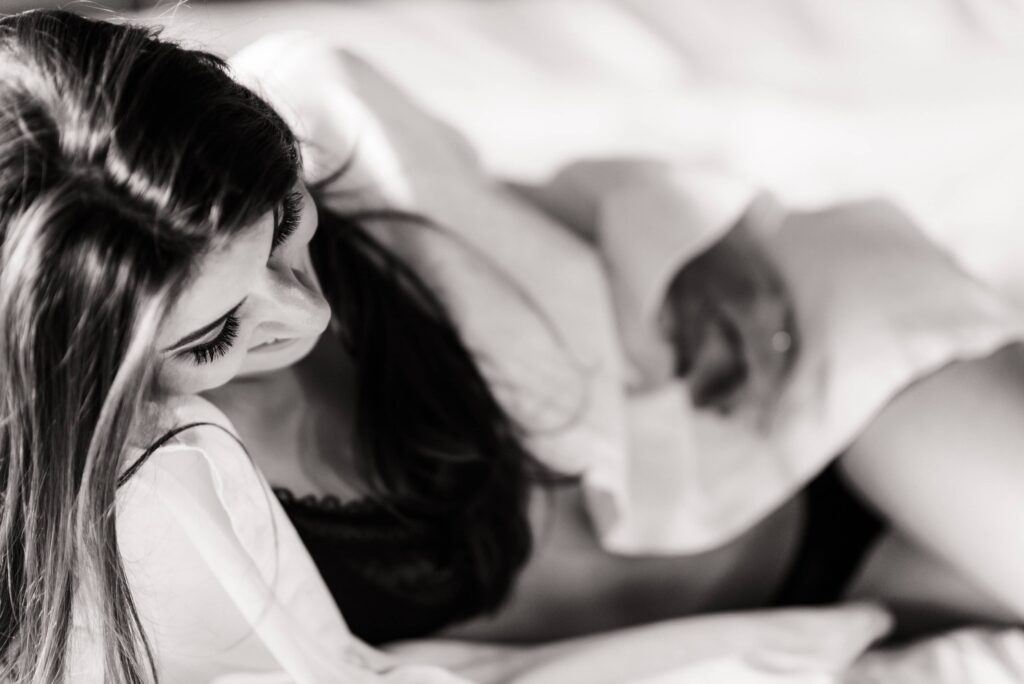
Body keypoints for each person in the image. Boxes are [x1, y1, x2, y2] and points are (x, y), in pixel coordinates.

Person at [1, 9, 1022, 683]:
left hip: (802, 411)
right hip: (774, 621)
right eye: (220, 334)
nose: (302, 315)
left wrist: (693, 248)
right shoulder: (114, 544)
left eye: (286, 228)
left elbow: (535, 209)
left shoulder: (326, 113)